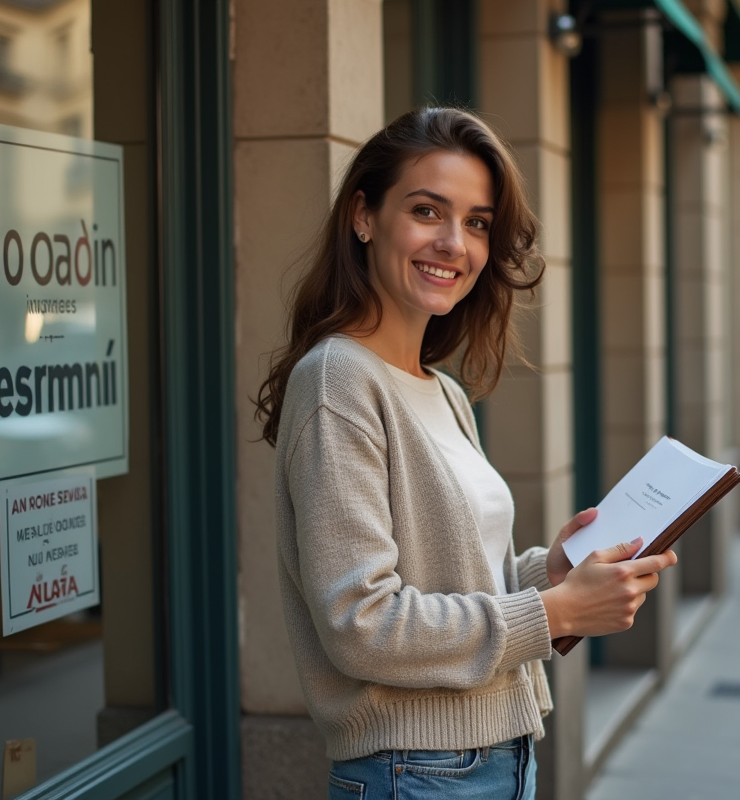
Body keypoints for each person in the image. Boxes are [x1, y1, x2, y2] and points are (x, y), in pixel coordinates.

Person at [255, 107, 677, 799]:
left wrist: (554, 569)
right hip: (414, 772)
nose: (455, 243)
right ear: (364, 216)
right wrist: (559, 613)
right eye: (428, 210)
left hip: (498, 757)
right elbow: (362, 624)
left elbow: (460, 579)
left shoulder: (440, 390)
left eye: (478, 223)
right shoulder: (338, 380)